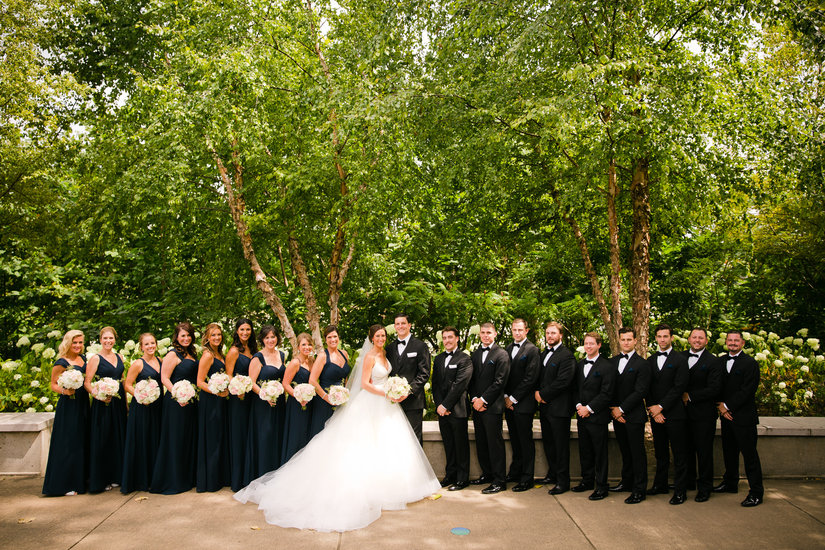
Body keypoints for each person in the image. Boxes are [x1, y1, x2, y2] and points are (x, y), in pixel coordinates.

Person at [235, 324, 440, 532]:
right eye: (377, 335)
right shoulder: (367, 357)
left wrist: (392, 389)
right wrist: (384, 393)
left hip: (386, 405)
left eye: (383, 335)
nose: (380, 338)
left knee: (386, 443)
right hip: (373, 400)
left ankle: (393, 486)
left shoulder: (384, 353)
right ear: (371, 337)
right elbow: (365, 383)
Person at [714, 330, 764, 507]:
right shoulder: (720, 361)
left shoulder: (750, 364)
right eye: (730, 340)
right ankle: (730, 483)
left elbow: (748, 390)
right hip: (726, 416)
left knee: (750, 456)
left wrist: (726, 406)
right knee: (729, 453)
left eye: (736, 341)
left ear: (742, 343)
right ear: (726, 342)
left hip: (744, 418)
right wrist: (720, 406)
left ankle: (756, 492)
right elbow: (716, 386)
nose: (733, 343)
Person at [150, 322, 199, 494]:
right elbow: (164, 378)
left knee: (188, 438)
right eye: (182, 335)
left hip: (191, 402)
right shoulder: (173, 354)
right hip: (175, 402)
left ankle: (187, 477)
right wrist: (178, 394)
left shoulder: (192, 353)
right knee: (175, 439)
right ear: (177, 337)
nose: (186, 338)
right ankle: (173, 479)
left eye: (188, 335)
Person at [646, 323, 690, 505]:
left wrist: (661, 407)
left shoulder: (680, 360)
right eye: (659, 336)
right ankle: (660, 484)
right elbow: (646, 387)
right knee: (661, 452)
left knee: (680, 453)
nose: (662, 339)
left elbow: (679, 387)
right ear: (655, 338)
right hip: (656, 415)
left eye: (665, 336)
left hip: (675, 413)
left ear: (671, 338)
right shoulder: (650, 360)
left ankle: (680, 491)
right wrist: (652, 409)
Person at [42, 330, 89, 496]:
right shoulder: (61, 362)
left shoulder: (83, 359)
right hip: (69, 405)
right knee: (68, 442)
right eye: (74, 342)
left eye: (80, 342)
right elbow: (53, 384)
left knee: (81, 440)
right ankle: (64, 484)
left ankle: (80, 481)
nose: (77, 345)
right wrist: (64, 391)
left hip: (83, 403)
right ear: (68, 343)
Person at [608, 327, 651, 504]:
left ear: (635, 341)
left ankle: (639, 489)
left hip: (633, 415)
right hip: (617, 415)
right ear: (619, 341)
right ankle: (626, 482)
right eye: (623, 339)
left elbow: (640, 391)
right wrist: (613, 409)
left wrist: (622, 409)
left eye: (629, 339)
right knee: (625, 451)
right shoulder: (612, 362)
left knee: (637, 453)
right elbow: (609, 388)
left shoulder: (642, 364)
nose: (625, 342)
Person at [468, 322, 510, 494]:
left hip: (492, 407)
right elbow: (471, 380)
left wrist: (484, 400)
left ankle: (499, 480)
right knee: (482, 443)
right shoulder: (475, 354)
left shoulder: (502, 354)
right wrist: (475, 399)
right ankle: (487, 474)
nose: (485, 335)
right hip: (477, 406)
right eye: (483, 333)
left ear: (495, 334)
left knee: (495, 444)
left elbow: (500, 382)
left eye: (488, 332)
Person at [572, 332, 615, 501]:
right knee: (585, 451)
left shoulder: (607, 366)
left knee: (600, 453)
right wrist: (578, 406)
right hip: (581, 416)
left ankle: (602, 486)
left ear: (599, 345)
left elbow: (607, 393)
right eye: (586, 343)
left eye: (591, 343)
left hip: (597, 417)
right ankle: (587, 481)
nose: (588, 346)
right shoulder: (580, 364)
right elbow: (575, 389)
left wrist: (589, 408)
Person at [682, 327, 722, 502]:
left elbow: (714, 388)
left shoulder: (713, 361)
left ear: (706, 341)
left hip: (704, 414)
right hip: (682, 414)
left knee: (704, 452)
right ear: (689, 339)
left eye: (701, 338)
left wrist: (690, 396)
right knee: (685, 449)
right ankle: (688, 481)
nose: (697, 340)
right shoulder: (680, 357)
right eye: (694, 337)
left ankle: (705, 487)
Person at [534, 322, 575, 495]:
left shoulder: (567, 356)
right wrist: (537, 391)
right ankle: (552, 474)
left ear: (560, 335)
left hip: (560, 409)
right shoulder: (543, 353)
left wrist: (543, 394)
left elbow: (564, 381)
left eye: (553, 333)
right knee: (549, 444)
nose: (550, 336)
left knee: (560, 446)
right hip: (545, 409)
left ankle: (563, 481)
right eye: (547, 333)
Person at [85, 326, 127, 493]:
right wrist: (98, 395)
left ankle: (117, 475)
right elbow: (87, 382)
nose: (108, 341)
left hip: (118, 402)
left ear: (115, 339)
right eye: (105, 339)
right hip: (102, 403)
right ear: (100, 340)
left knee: (118, 438)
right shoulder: (96, 358)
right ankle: (101, 479)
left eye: (111, 338)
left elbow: (122, 380)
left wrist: (126, 404)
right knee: (103, 439)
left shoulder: (120, 356)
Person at [431, 326, 473, 491]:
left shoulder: (465, 359)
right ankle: (450, 475)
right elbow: (435, 385)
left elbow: (460, 385)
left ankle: (463, 479)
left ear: (457, 338)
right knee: (448, 444)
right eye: (445, 338)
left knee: (460, 445)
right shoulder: (439, 358)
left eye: (450, 337)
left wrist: (446, 405)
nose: (447, 340)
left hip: (458, 409)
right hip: (443, 411)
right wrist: (439, 405)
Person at [121, 333, 163, 493]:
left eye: (152, 343)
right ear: (141, 347)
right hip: (142, 407)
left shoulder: (161, 361)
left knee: (155, 440)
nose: (150, 346)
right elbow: (128, 385)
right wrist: (141, 395)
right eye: (147, 344)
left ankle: (154, 477)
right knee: (143, 441)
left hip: (157, 407)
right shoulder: (138, 364)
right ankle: (140, 480)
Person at [244, 325, 286, 483]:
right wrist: (265, 394)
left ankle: (275, 476)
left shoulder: (281, 355)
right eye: (267, 337)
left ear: (277, 338)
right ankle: (262, 475)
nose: (270, 340)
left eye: (273, 337)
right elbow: (251, 382)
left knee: (277, 435)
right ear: (262, 339)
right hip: (263, 403)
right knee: (265, 437)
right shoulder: (257, 357)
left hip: (280, 402)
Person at [503, 318, 540, 492]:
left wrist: (514, 398)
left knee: (525, 442)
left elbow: (530, 378)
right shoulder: (509, 348)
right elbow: (505, 376)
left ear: (527, 330)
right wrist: (505, 397)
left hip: (523, 404)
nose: (517, 333)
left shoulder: (532, 350)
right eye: (514, 330)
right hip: (508, 403)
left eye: (520, 330)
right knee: (515, 441)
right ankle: (515, 472)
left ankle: (527, 478)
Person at [386, 313, 432, 444]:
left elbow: (424, 373)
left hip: (413, 402)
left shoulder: (420, 346)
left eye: (403, 323)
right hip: (393, 402)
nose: (400, 326)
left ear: (409, 325)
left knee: (414, 440)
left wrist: (408, 391)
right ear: (395, 326)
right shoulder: (389, 348)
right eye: (398, 324)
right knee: (395, 439)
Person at [196, 323, 230, 492]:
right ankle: (209, 480)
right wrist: (216, 391)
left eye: (219, 335)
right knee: (212, 438)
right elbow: (200, 381)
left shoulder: (219, 354)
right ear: (207, 338)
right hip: (210, 401)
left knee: (219, 437)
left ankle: (219, 476)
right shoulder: (207, 355)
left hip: (221, 400)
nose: (217, 337)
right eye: (213, 335)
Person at [225, 318, 257, 491]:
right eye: (242, 329)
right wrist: (238, 388)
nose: (245, 333)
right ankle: (238, 480)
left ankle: (249, 475)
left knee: (249, 435)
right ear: (237, 331)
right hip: (239, 398)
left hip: (252, 398)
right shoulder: (233, 351)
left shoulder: (253, 350)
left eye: (248, 330)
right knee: (239, 435)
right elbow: (228, 374)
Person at [308, 325, 351, 438]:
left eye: (335, 336)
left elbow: (344, 377)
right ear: (325, 339)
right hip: (324, 403)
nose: (333, 340)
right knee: (324, 435)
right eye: (329, 337)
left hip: (341, 402)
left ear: (338, 337)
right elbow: (312, 380)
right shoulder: (322, 356)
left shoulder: (344, 354)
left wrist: (345, 394)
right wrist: (327, 397)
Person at [280, 332, 315, 463]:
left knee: (306, 434)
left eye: (309, 344)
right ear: (298, 347)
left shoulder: (312, 362)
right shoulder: (295, 362)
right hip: (296, 404)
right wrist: (299, 396)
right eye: (303, 344)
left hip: (310, 403)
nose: (307, 347)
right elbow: (285, 383)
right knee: (297, 434)